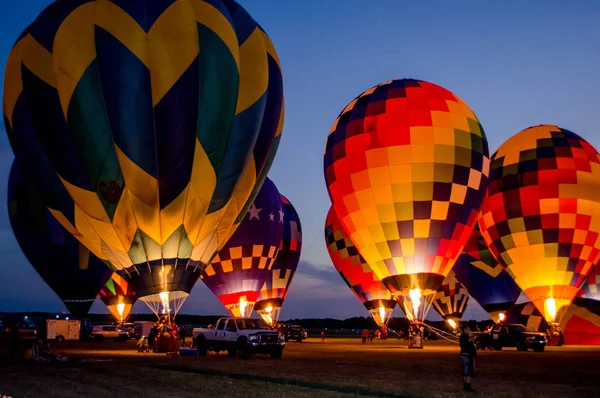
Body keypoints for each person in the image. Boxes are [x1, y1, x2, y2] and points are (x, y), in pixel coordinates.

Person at [459, 325, 477, 392]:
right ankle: (467, 386)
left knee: (465, 371)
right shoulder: (464, 337)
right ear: (465, 330)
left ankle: (465, 385)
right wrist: (473, 336)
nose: (469, 331)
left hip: (465, 355)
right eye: (468, 329)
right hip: (466, 355)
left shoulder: (463, 336)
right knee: (468, 371)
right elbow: (468, 341)